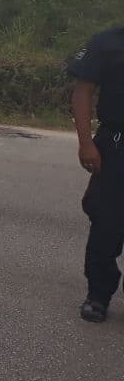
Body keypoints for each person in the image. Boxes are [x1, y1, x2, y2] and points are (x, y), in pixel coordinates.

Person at [68, 27, 124, 323]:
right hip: (116, 147)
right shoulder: (106, 42)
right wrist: (86, 142)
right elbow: (83, 89)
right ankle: (98, 295)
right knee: (106, 225)